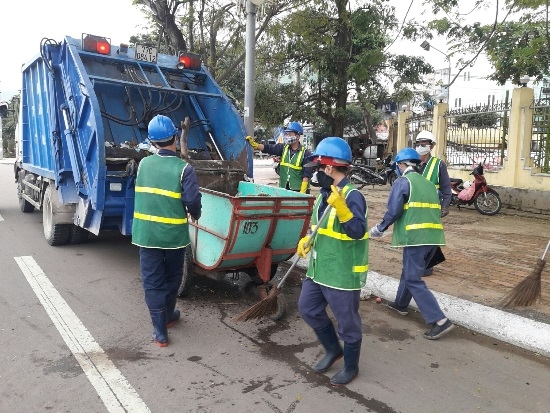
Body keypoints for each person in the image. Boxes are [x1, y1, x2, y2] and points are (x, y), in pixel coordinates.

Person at [296, 137, 368, 386]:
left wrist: (343, 209)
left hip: (341, 272)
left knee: (347, 323)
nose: (315, 173)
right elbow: (320, 227)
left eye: (318, 167)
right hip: (319, 268)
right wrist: (307, 240)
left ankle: (351, 366)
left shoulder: (352, 195)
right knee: (308, 308)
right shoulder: (324, 194)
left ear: (329, 168)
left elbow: (358, 230)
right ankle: (333, 349)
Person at [370, 148, 454, 340]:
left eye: (397, 166)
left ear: (402, 165)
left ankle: (440, 320)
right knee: (409, 272)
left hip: (416, 238)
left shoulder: (403, 182)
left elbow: (393, 211)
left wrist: (379, 228)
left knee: (414, 279)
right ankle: (400, 303)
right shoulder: (429, 184)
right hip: (432, 237)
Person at [132, 114, 202, 347]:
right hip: (173, 237)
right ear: (174, 136)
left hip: (147, 234)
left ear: (152, 142)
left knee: (153, 282)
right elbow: (192, 201)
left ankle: (160, 330)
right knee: (173, 277)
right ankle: (167, 316)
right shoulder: (185, 169)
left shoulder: (143, 164)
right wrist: (196, 213)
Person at [414, 130, 452, 276]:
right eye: (419, 143)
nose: (421, 146)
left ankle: (428, 266)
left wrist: (445, 206)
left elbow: (446, 187)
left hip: (432, 208)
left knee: (430, 237)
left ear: (431, 146)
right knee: (417, 236)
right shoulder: (413, 164)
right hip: (415, 208)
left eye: (424, 144)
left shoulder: (438, 164)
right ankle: (417, 264)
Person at [245, 121, 313, 193]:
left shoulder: (306, 153)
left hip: (298, 189)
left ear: (297, 136)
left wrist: (302, 192)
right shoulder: (283, 148)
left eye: (290, 134)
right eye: (287, 134)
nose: (287, 136)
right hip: (284, 189)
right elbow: (269, 148)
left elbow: (307, 174)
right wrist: (255, 145)